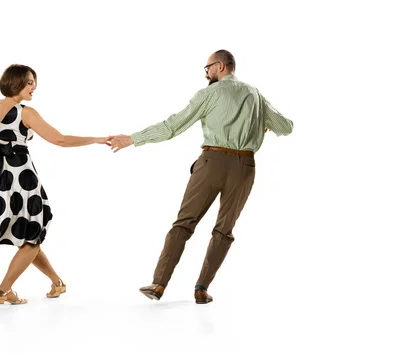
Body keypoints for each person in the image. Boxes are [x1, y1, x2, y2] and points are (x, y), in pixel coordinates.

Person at [108, 50, 293, 304]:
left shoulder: (209, 94)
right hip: (244, 167)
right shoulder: (255, 95)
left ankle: (159, 284)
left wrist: (132, 139)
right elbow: (286, 126)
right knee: (224, 230)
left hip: (212, 161)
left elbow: (173, 126)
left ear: (219, 66)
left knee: (184, 223)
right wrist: (262, 123)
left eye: (207, 68)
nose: (206, 73)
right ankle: (201, 289)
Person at [0, 64, 109, 304]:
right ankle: (4, 290)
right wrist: (96, 139)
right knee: (32, 235)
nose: (34, 87)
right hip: (22, 182)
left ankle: (57, 283)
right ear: (16, 83)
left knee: (28, 238)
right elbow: (60, 140)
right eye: (30, 82)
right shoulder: (26, 113)